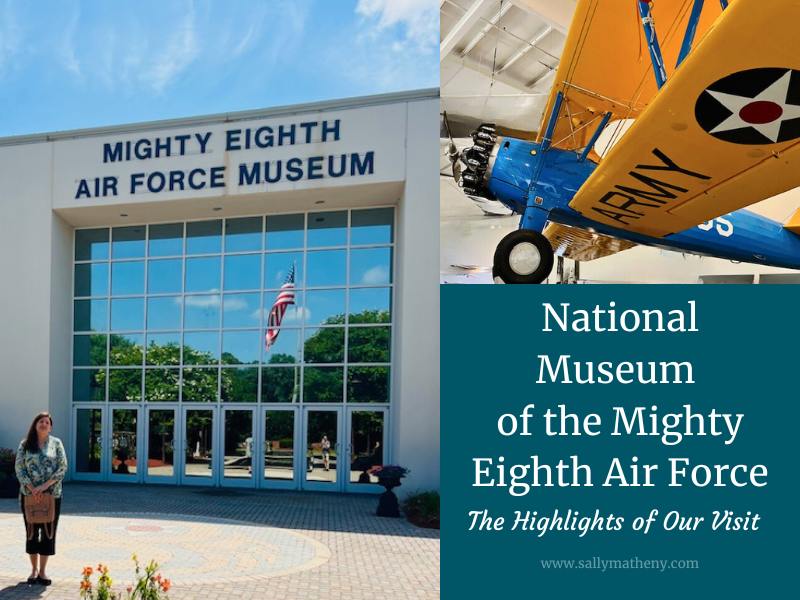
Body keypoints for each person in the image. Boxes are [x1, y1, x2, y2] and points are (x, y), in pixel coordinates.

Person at [14, 412, 67, 587]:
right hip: (29, 496)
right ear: (35, 424)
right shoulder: (25, 444)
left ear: (50, 427)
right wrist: (31, 488)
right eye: (40, 421)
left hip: (51, 495)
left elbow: (62, 467)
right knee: (31, 531)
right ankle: (33, 570)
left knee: (48, 532)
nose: (44, 424)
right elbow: (19, 468)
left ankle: (43, 571)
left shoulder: (57, 443)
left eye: (47, 422)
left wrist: (43, 487)